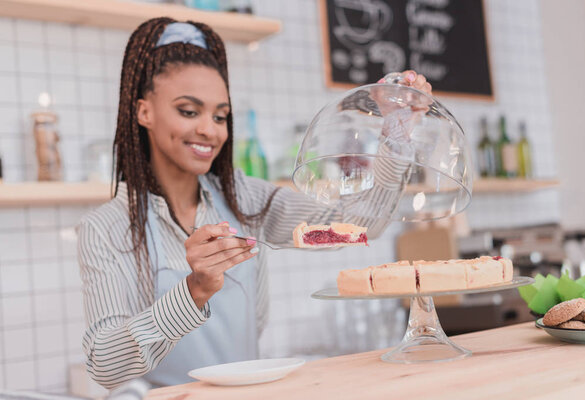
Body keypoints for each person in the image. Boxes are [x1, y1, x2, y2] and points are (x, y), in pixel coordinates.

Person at [77, 17, 432, 390]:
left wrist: (396, 130)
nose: (209, 130)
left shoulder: (244, 199)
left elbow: (357, 228)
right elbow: (105, 365)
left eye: (220, 116)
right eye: (188, 111)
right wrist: (194, 291)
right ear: (143, 111)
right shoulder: (106, 228)